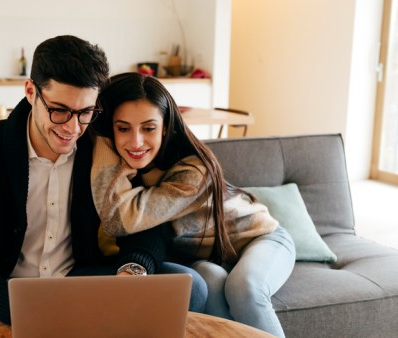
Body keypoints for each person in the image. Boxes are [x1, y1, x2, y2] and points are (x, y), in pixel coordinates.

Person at [0, 36, 202, 338]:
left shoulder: (103, 149)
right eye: (59, 110)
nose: (73, 128)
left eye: (85, 113)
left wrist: (133, 270)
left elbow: (144, 221)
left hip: (81, 281)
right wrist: (21, 310)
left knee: (193, 285)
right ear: (30, 92)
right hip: (1, 292)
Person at [90, 72, 296, 337]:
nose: (136, 141)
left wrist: (104, 138)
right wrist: (104, 134)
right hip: (211, 256)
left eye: (149, 128)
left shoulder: (193, 172)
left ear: (165, 127)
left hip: (261, 239)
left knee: (244, 287)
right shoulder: (133, 167)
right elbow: (131, 225)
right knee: (207, 280)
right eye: (123, 128)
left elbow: (119, 217)